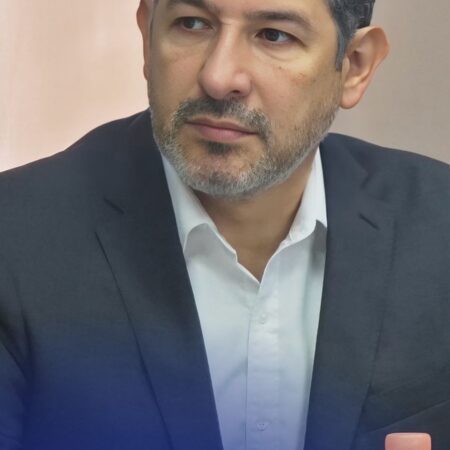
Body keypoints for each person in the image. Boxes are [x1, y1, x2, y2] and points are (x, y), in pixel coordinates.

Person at [0, 0, 449, 449]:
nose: (218, 77)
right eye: (192, 23)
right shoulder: (16, 240)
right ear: (147, 34)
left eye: (274, 35)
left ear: (354, 65)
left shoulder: (438, 227)